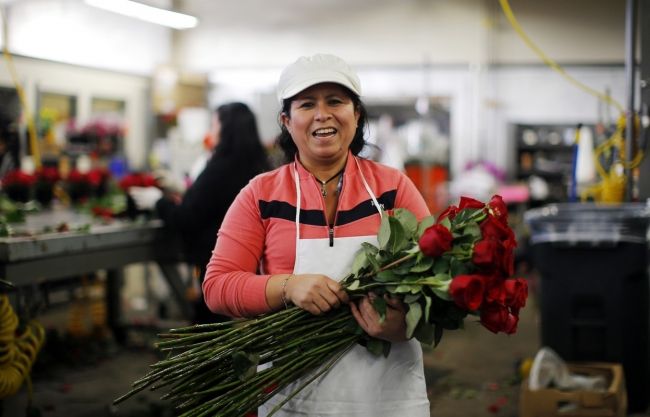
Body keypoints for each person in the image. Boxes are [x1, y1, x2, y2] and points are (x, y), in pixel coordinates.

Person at [202, 54, 431, 416]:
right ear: (286, 121)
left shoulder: (393, 189)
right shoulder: (260, 195)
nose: (322, 114)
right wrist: (287, 287)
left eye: (335, 101)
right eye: (307, 104)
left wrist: (405, 323)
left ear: (356, 115)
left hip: (386, 395)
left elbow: (436, 279)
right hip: (295, 394)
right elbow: (217, 287)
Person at [129, 102, 271, 323]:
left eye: (214, 125)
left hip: (217, 261)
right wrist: (185, 189)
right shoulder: (260, 166)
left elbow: (187, 218)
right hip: (253, 266)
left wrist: (158, 202)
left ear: (226, 129)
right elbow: (216, 202)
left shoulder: (219, 167)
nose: (210, 132)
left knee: (211, 324)